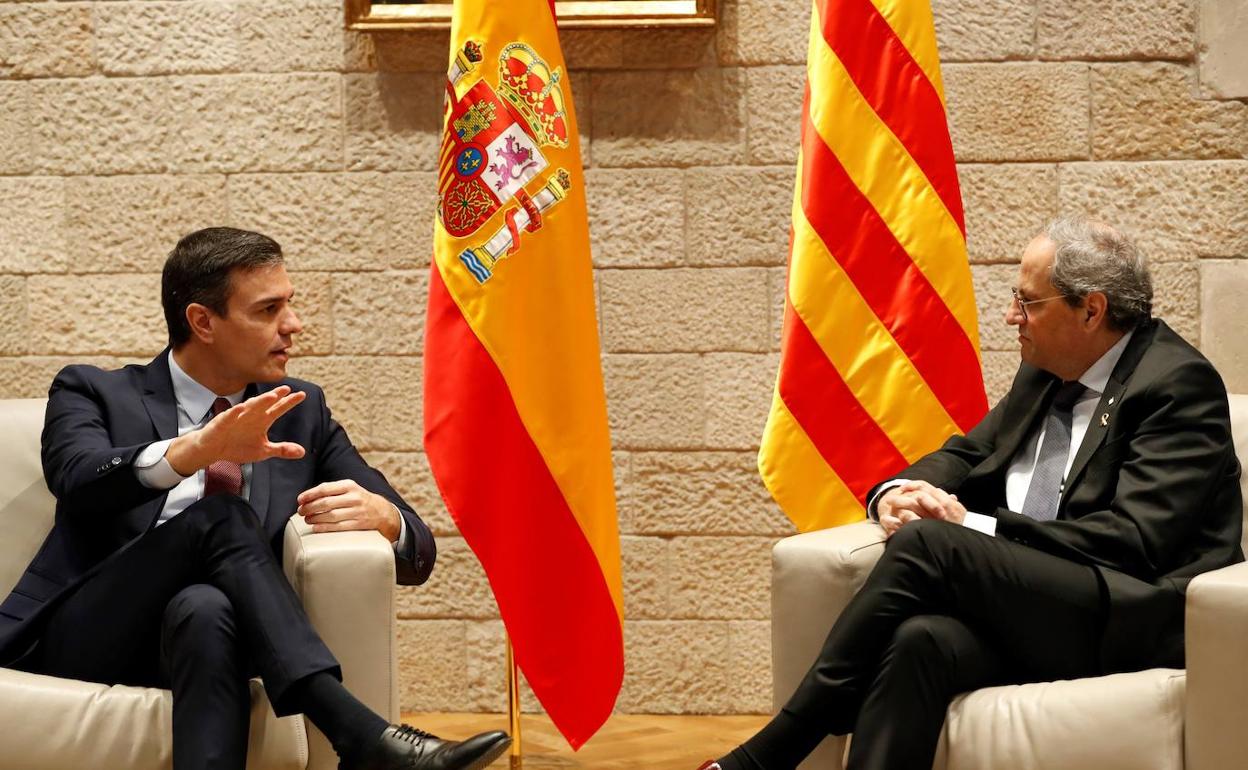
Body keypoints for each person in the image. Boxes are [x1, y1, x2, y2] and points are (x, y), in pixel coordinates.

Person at [701, 216, 1243, 770]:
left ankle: (778, 747)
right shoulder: (1048, 371)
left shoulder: (1176, 384)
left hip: (1129, 611)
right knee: (919, 640)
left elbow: (1135, 540)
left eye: (1028, 301)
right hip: (1040, 606)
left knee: (929, 544)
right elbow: (967, 454)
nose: (1011, 316)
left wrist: (974, 528)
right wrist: (895, 493)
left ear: (1091, 310)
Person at [0, 227, 510, 770]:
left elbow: (419, 551)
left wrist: (388, 520)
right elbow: (77, 479)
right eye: (268, 310)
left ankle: (360, 737)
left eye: (288, 304)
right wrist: (194, 451)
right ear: (203, 322)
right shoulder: (93, 391)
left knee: (205, 609)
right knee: (220, 516)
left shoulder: (299, 410)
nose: (293, 324)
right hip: (91, 633)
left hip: (210, 638)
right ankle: (354, 729)